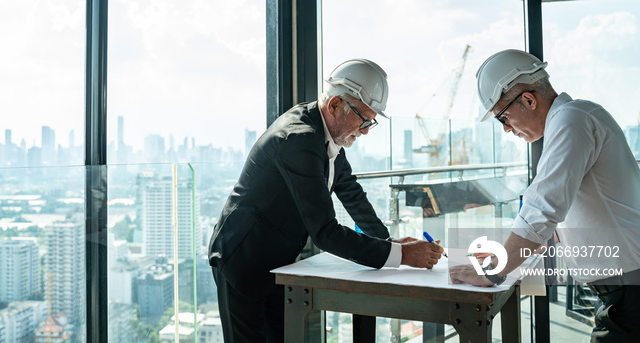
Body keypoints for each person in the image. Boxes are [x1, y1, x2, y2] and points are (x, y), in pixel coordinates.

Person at [208, 58, 444, 342]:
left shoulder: (325, 135)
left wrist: (388, 243)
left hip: (278, 264)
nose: (367, 130)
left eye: (372, 122)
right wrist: (402, 256)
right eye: (363, 119)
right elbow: (325, 232)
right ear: (334, 105)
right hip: (242, 261)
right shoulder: (299, 140)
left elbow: (351, 193)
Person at [449, 49, 640, 343]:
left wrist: (494, 272)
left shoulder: (572, 119)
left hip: (630, 290)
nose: (506, 129)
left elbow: (543, 208)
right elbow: (568, 210)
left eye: (504, 116)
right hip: (622, 288)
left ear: (528, 99)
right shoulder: (574, 118)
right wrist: (507, 251)